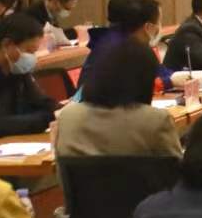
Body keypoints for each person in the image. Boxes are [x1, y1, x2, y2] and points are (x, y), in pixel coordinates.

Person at [53, 40, 181, 178]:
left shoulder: (67, 117)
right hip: (139, 190)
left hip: (86, 192)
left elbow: (64, 176)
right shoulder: (155, 120)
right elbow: (175, 175)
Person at [0, 12, 57, 138]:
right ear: (7, 44)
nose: (32, 57)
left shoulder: (15, 66)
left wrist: (62, 111)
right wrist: (47, 118)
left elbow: (41, 101)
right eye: (29, 51)